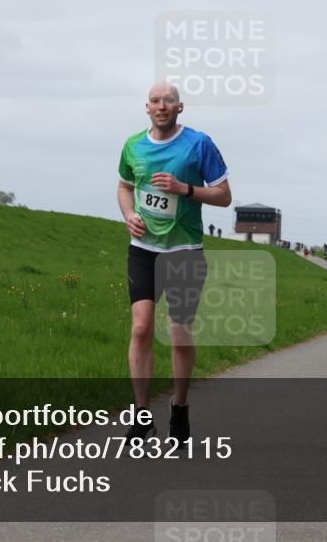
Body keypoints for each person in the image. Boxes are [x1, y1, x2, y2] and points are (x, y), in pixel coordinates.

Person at [117, 81, 231, 441]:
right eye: (155, 101)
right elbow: (123, 186)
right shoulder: (133, 145)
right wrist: (128, 215)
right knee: (141, 328)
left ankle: (180, 405)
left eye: (168, 101)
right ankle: (141, 414)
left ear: (180, 108)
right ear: (146, 108)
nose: (161, 106)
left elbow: (225, 196)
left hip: (184, 251)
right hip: (144, 249)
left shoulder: (198, 144)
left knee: (179, 333)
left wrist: (186, 190)